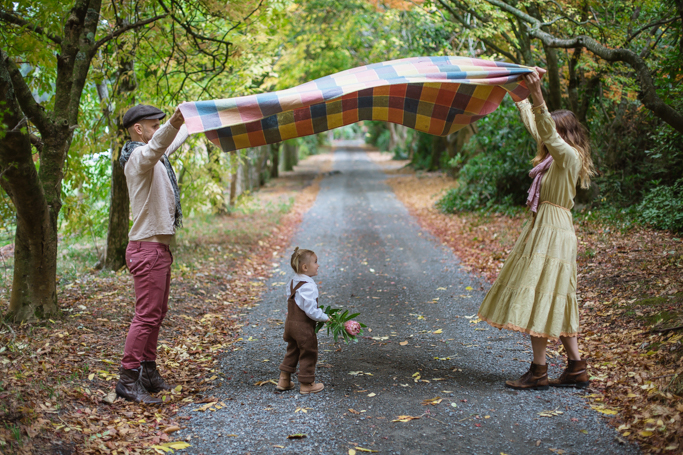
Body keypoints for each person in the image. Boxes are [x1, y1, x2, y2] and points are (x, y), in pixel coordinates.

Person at [477, 71, 596, 390]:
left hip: (553, 230)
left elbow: (546, 132)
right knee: (556, 294)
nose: (544, 138)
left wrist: (538, 94)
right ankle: (575, 367)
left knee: (539, 292)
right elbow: (538, 127)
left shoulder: (567, 156)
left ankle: (539, 371)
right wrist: (520, 95)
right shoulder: (556, 159)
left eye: (553, 133)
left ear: (564, 133)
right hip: (549, 227)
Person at [115, 104, 188, 403]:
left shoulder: (155, 156)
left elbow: (169, 140)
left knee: (156, 315)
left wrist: (192, 119)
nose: (158, 130)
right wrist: (173, 121)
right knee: (146, 317)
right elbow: (159, 143)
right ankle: (127, 378)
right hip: (146, 250)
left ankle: (147, 371)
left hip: (158, 249)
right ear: (138, 129)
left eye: (160, 125)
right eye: (153, 125)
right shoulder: (137, 158)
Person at [277, 247, 330, 394]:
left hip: (290, 324)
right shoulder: (309, 286)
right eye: (315, 262)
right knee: (308, 352)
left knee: (292, 350)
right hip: (303, 328)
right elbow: (311, 311)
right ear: (305, 267)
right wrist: (326, 318)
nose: (318, 265)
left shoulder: (293, 282)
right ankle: (307, 384)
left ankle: (284, 380)